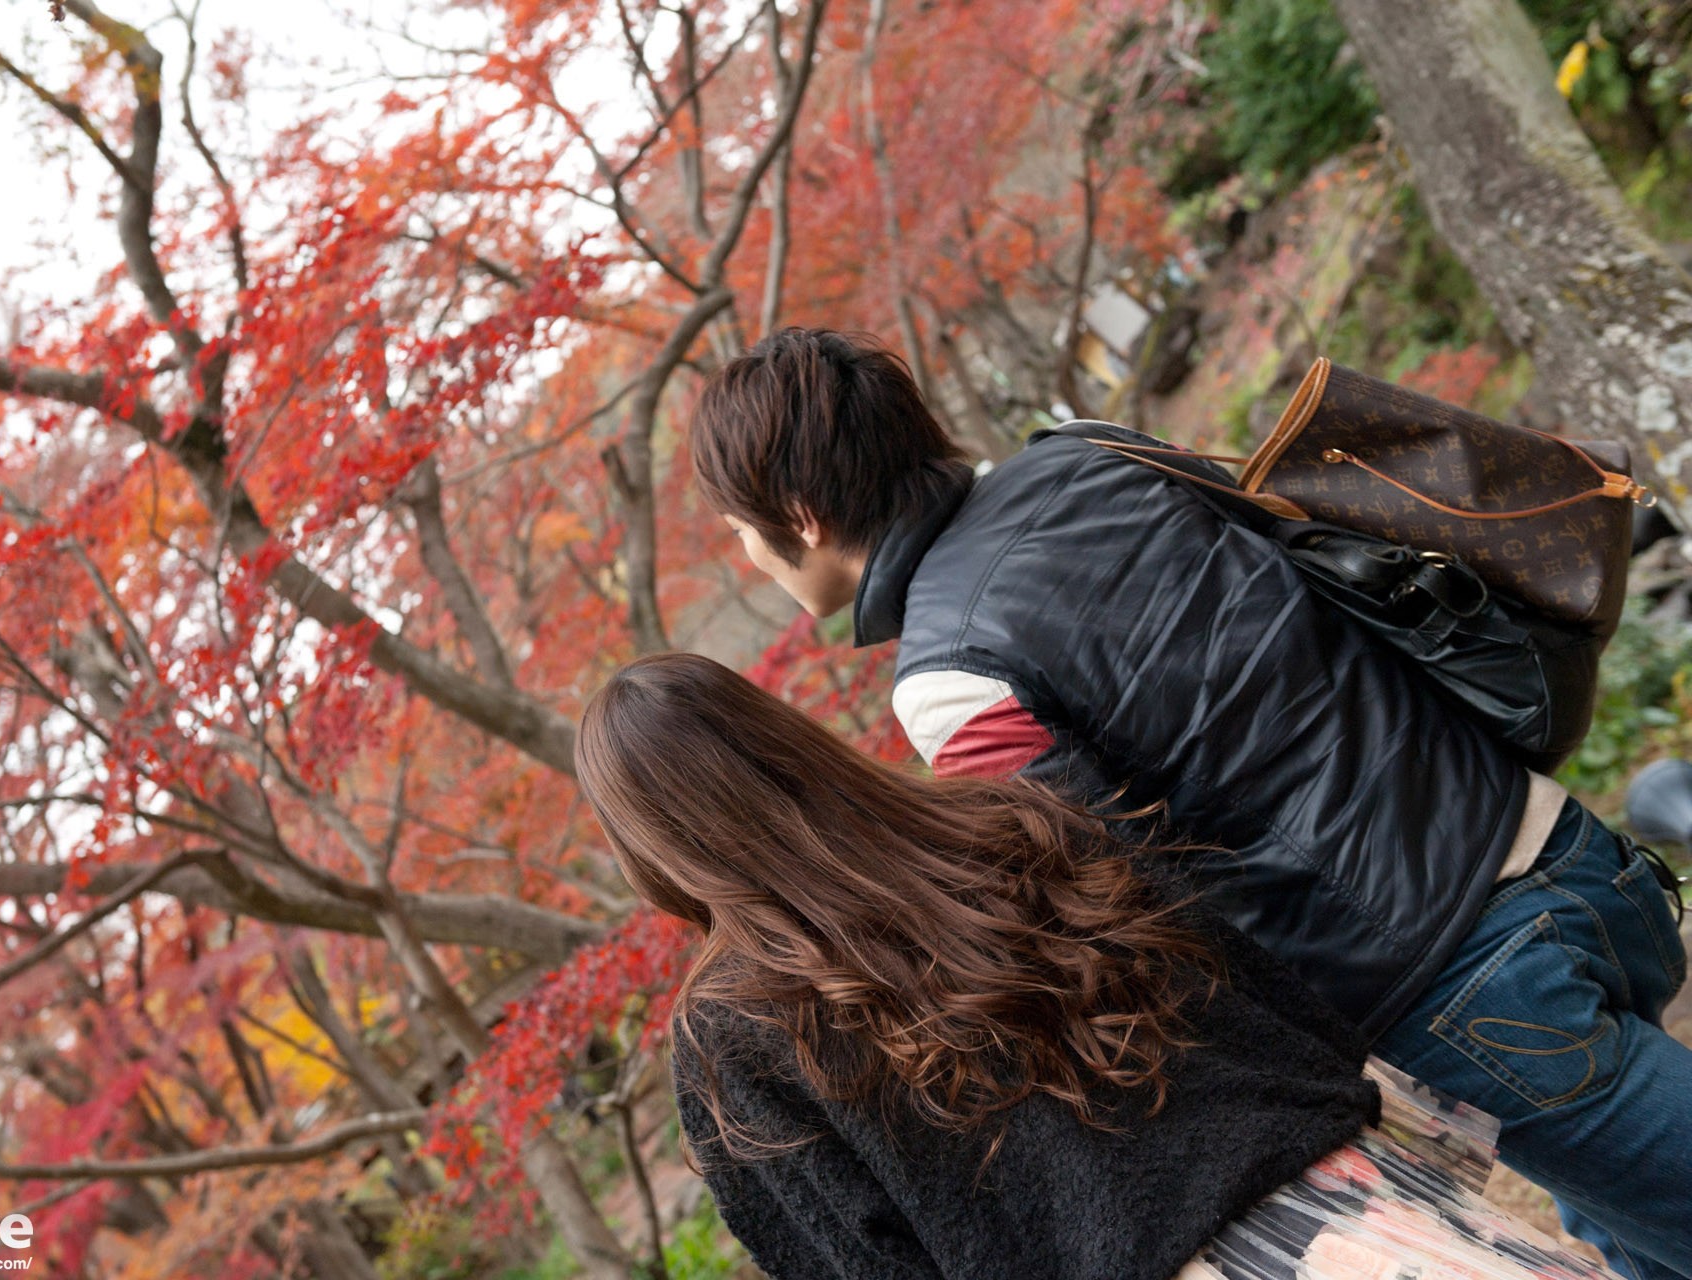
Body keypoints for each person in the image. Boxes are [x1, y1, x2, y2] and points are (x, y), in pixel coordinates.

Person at [687, 328, 1692, 1280]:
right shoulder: (1093, 455)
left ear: (801, 517)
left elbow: (1124, 898)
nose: (749, 555)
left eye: (740, 530)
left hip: (1451, 979)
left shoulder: (949, 677)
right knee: (1634, 1222)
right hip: (1558, 843)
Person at [575, 652, 1617, 1280]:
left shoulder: (728, 1038)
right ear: (783, 736)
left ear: (652, 845)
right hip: (1350, 1192)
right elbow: (1244, 982)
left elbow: (854, 1257)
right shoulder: (1006, 818)